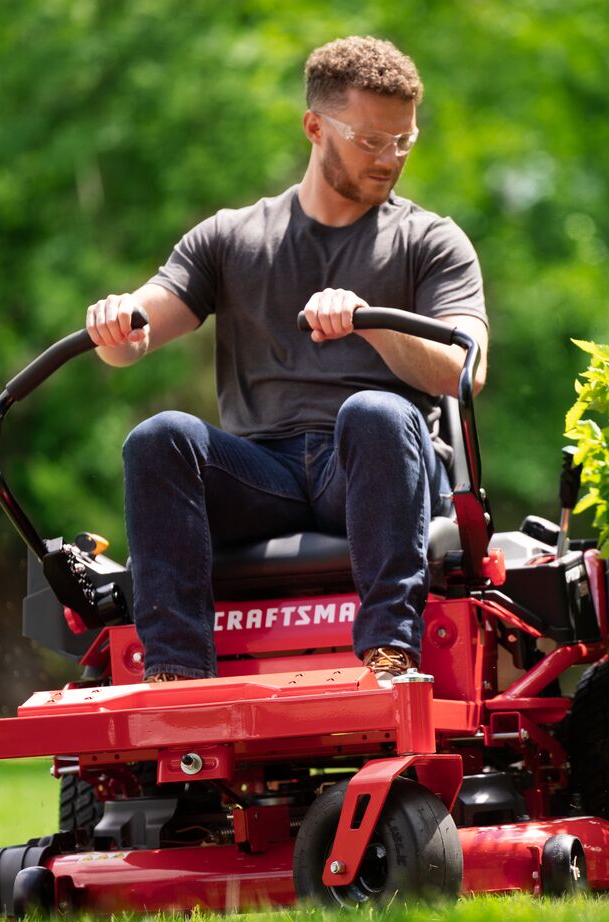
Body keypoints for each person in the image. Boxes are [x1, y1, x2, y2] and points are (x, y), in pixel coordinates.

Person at [84, 36, 488, 687]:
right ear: (315, 126)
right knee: (159, 438)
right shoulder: (232, 238)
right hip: (263, 472)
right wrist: (114, 324)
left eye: (404, 141)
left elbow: (463, 370)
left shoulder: (430, 241)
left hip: (368, 468)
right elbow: (135, 334)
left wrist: (370, 324)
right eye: (370, 141)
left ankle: (389, 651)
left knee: (374, 411)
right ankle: (177, 673)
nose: (390, 159)